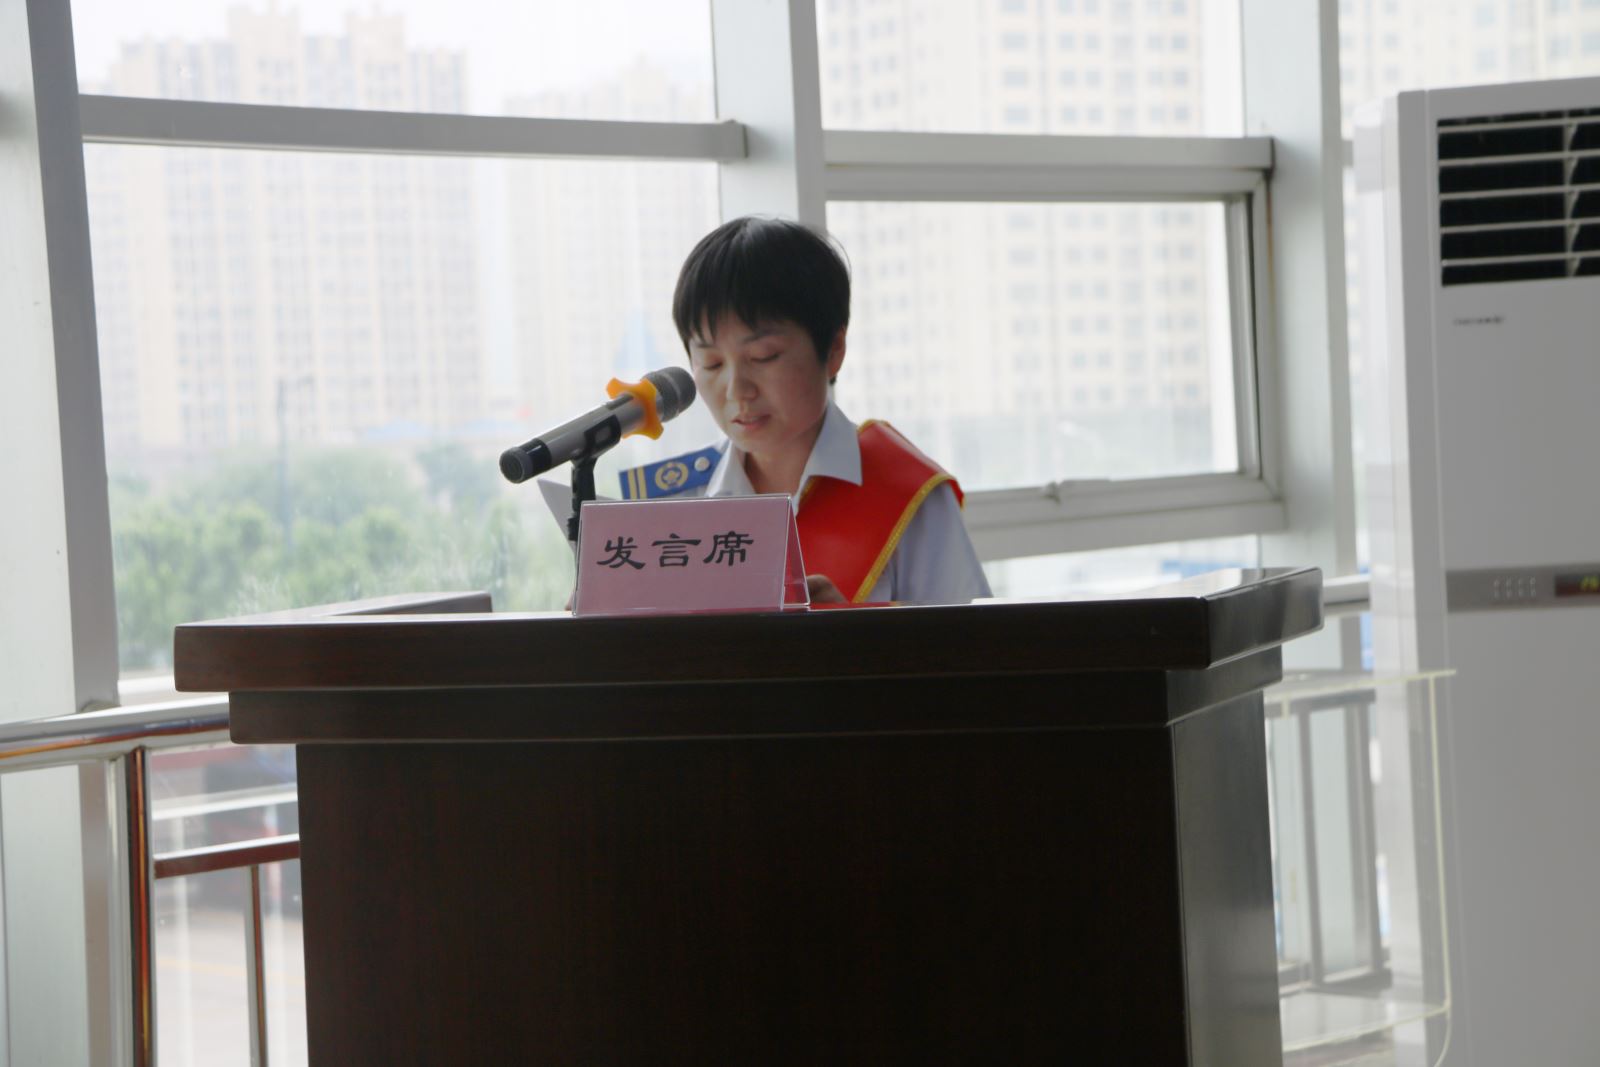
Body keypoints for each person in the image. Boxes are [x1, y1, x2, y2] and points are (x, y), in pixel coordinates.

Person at [618, 216, 990, 606]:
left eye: (764, 356)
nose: (736, 390)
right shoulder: (671, 506)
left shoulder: (908, 496)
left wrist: (851, 633)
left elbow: (974, 643)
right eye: (711, 364)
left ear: (833, 350)